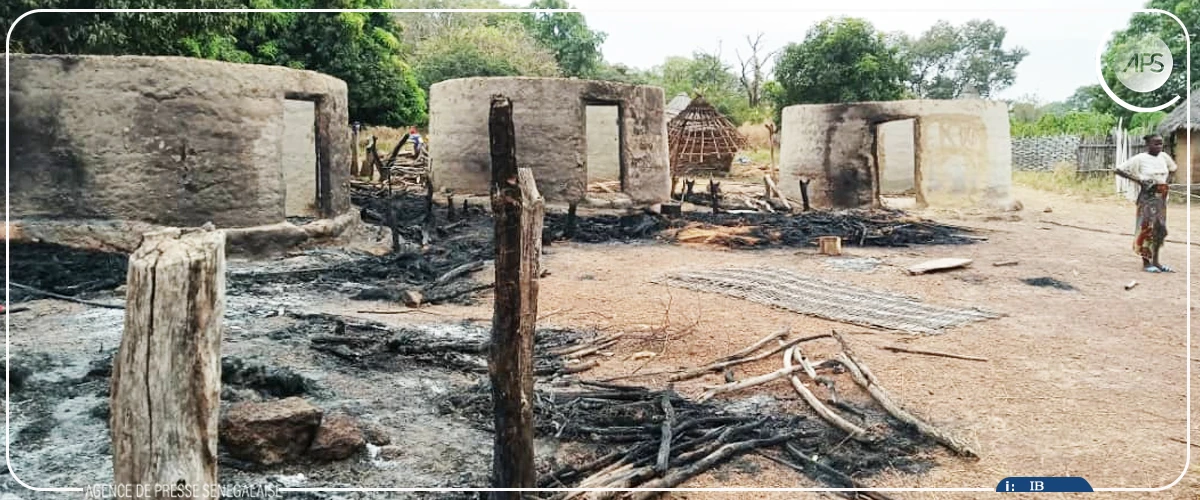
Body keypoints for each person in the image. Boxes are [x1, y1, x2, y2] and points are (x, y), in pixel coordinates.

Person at [1115, 133, 1178, 273]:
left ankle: (1156, 261)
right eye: (1155, 143)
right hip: (1147, 198)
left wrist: (1166, 182)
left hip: (1161, 198)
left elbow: (1173, 168)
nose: (1159, 146)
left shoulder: (1164, 157)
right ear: (1147, 145)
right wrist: (1139, 181)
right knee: (1146, 229)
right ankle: (1146, 263)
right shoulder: (1140, 159)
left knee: (1159, 230)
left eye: (1161, 143)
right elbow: (1119, 170)